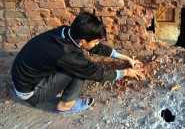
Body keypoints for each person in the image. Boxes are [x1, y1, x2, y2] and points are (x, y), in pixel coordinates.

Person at [11, 12, 144, 114]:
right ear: (82, 42)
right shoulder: (67, 54)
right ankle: (65, 105)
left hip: (23, 79)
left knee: (80, 66)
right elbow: (98, 75)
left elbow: (95, 47)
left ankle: (53, 89)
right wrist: (126, 72)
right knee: (83, 70)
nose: (97, 44)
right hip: (31, 92)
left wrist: (126, 58)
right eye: (96, 41)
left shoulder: (66, 32)